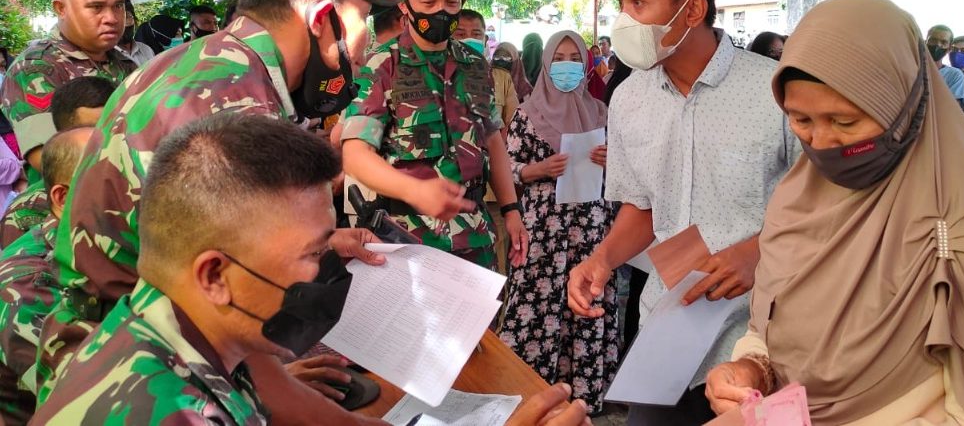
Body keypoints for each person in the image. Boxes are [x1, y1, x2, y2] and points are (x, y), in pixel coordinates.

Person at [39, 0, 402, 425]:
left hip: (118, 346)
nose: (363, 51)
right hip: (149, 382)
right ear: (322, 19)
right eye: (363, 19)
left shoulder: (194, 62)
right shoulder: (236, 106)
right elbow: (230, 286)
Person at [35, 114, 592, 426]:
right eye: (312, 254)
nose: (329, 271)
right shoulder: (167, 412)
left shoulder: (170, 327)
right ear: (214, 276)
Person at [704, 0, 964, 424]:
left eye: (845, 122)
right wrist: (750, 369)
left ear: (903, 104)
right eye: (800, 120)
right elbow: (770, 328)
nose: (821, 142)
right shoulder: (796, 200)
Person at [567, 0, 797, 424]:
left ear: (692, 10)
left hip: (759, 335)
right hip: (668, 326)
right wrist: (602, 259)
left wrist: (757, 252)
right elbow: (642, 207)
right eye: (621, 4)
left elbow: (825, 208)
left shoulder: (774, 91)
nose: (624, 20)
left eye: (638, 2)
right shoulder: (629, 99)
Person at [341, 0, 526, 270]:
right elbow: (355, 154)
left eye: (451, 3)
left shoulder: (475, 65)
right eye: (428, 3)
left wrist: (511, 210)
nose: (441, 12)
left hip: (475, 238)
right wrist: (415, 190)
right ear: (405, 6)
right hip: (406, 240)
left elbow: (492, 138)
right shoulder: (384, 66)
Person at [500, 30, 617, 413]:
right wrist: (537, 169)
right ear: (547, 64)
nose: (567, 66)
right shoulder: (527, 114)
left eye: (575, 58)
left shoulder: (600, 112)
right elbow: (504, 168)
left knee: (586, 300)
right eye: (559, 58)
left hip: (590, 229)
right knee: (538, 303)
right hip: (543, 231)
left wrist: (611, 162)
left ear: (586, 63)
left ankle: (581, 396)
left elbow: (626, 173)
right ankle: (531, 393)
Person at [0, 0, 137, 172]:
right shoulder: (35, 68)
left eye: (118, 6)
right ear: (61, 8)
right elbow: (50, 159)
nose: (111, 18)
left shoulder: (125, 63)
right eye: (96, 7)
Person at [0, 126, 90, 425]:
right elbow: (89, 400)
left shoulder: (97, 247)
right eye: (111, 182)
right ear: (62, 197)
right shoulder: (27, 284)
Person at [0, 76, 116, 248]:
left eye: (115, 126)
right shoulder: (26, 213)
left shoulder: (138, 182)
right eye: (92, 131)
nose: (107, 138)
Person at [456, 7, 519, 272]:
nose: (469, 39)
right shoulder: (436, 79)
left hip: (491, 191)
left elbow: (511, 125)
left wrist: (511, 207)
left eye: (476, 34)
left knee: (495, 260)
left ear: (485, 40)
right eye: (461, 34)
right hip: (447, 195)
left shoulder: (499, 78)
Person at [926, 25, 964, 105]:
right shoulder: (912, 68)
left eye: (944, 42)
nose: (937, 45)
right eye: (933, 40)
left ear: (949, 48)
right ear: (925, 42)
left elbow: (952, 107)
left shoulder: (955, 75)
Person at [117, 0, 157, 66]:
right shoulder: (105, 55)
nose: (122, 24)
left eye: (126, 17)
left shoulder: (146, 49)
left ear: (135, 21)